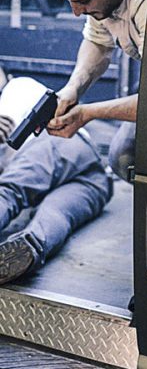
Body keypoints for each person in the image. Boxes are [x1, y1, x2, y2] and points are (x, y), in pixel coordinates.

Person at [38, 0, 147, 180]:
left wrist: (87, 113)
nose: (76, 12)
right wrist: (73, 89)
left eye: (83, 1)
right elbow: (98, 42)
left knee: (127, 157)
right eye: (70, 2)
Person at [0, 75, 111, 285]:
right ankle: (30, 247)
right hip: (95, 179)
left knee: (9, 192)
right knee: (57, 214)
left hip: (58, 147)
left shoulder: (17, 86)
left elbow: (3, 129)